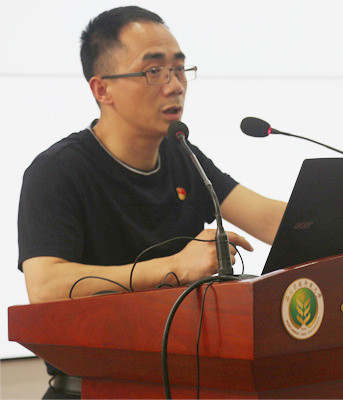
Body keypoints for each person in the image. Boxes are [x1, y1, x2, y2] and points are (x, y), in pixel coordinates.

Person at [17, 6, 286, 399]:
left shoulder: (181, 155)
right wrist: (174, 267)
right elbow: (45, 286)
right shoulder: (58, 170)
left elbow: (268, 219)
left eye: (179, 69)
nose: (174, 85)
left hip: (181, 386)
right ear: (102, 90)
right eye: (154, 71)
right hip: (92, 390)